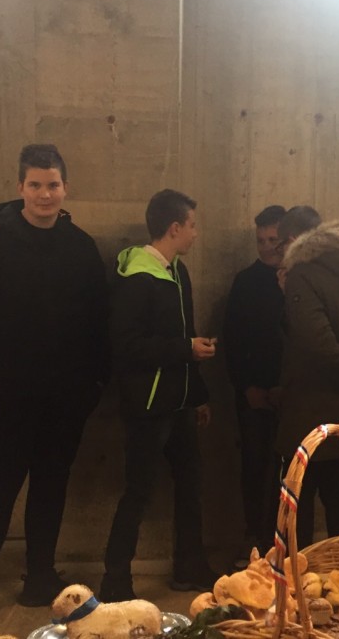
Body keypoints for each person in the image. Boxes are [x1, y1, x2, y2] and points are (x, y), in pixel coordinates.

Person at [0, 144, 110, 634]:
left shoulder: (80, 246)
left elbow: (98, 323)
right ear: (20, 188)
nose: (44, 194)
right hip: (2, 399)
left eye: (52, 184)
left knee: (51, 488)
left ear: (65, 188)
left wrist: (93, 386)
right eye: (35, 185)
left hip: (65, 400)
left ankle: (40, 577)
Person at [101, 189, 218, 601]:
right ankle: (115, 580)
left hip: (180, 401)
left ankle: (189, 566)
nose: (195, 234)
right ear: (174, 228)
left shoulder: (177, 272)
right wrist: (186, 349)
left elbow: (187, 334)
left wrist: (198, 394)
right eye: (192, 226)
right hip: (148, 406)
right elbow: (126, 346)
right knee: (138, 492)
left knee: (190, 486)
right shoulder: (137, 278)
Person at [273, 205, 339, 549]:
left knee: (296, 511)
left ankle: (297, 579)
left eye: (280, 245)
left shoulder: (303, 275)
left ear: (293, 239)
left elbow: (317, 343)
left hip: (309, 412)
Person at [223, 204, 286, 554]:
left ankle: (284, 544)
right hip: (252, 393)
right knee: (254, 467)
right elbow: (232, 340)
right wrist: (247, 387)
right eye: (261, 240)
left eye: (273, 240)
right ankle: (255, 542)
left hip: (291, 393)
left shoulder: (301, 280)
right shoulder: (245, 282)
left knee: (289, 473)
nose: (266, 247)